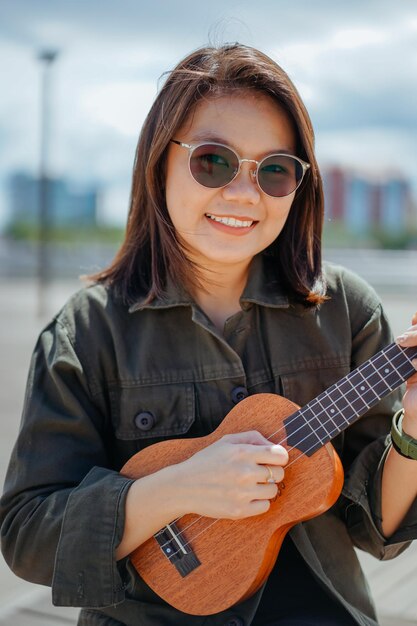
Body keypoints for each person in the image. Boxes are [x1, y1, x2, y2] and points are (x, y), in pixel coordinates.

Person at [1, 43, 417, 626]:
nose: (244, 194)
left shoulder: (347, 309)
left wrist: (413, 432)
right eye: (214, 162)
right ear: (159, 164)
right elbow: (26, 535)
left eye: (274, 170)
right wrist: (176, 489)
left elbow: (375, 526)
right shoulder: (86, 332)